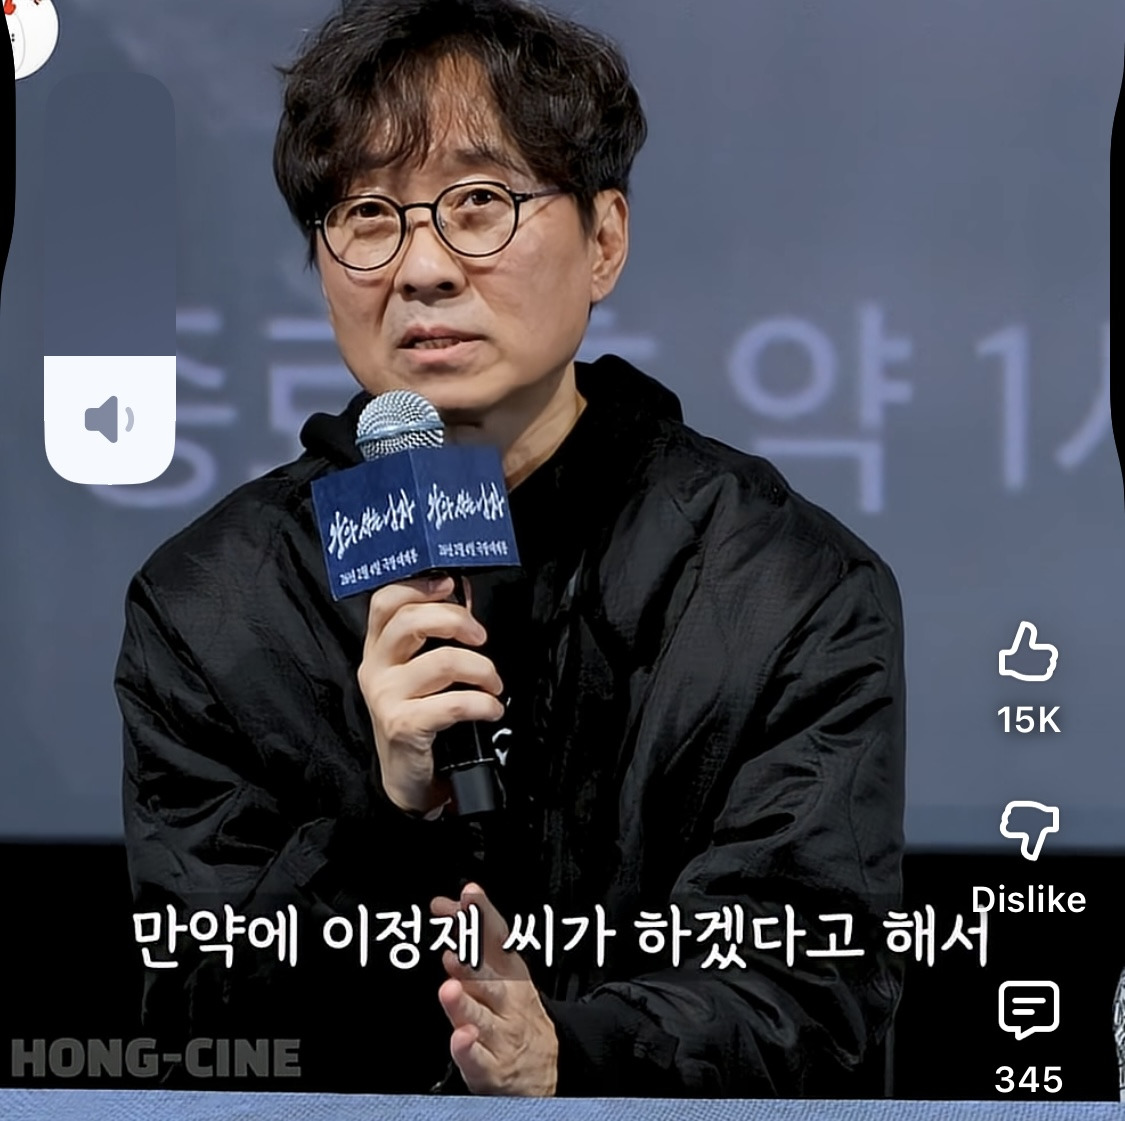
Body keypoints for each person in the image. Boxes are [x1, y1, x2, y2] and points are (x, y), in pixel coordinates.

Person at [116, 0, 906, 1097]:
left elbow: (814, 995)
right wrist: (386, 820)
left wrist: (566, 1057)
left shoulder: (786, 584)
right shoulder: (209, 606)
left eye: (479, 203)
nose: (424, 268)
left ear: (604, 240)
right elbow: (194, 1029)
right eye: (369, 214)